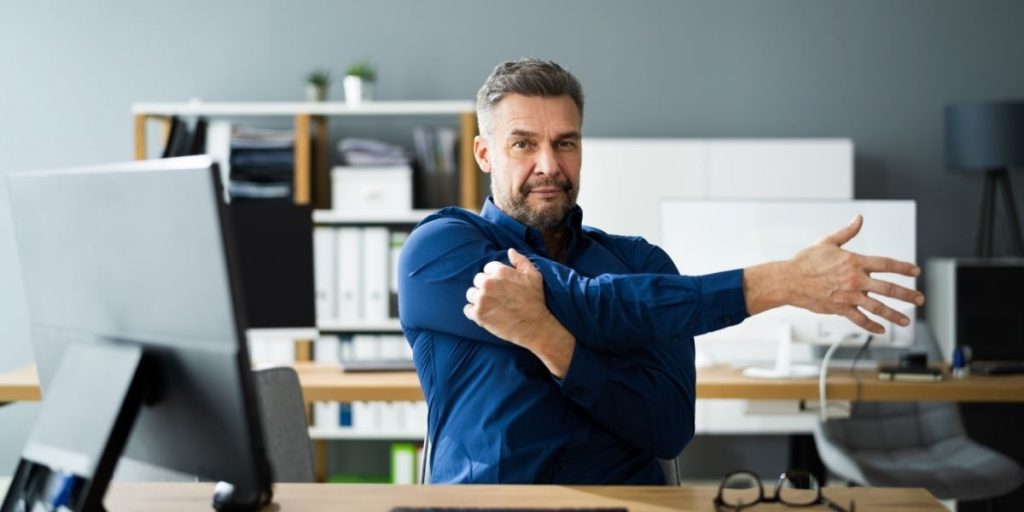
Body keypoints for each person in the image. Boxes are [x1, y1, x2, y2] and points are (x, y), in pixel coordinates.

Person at [398, 58, 923, 484]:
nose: (549, 165)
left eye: (566, 142)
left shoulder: (640, 263)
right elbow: (594, 306)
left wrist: (549, 340)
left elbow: (668, 430)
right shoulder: (441, 248)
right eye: (523, 143)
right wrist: (780, 282)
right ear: (484, 153)